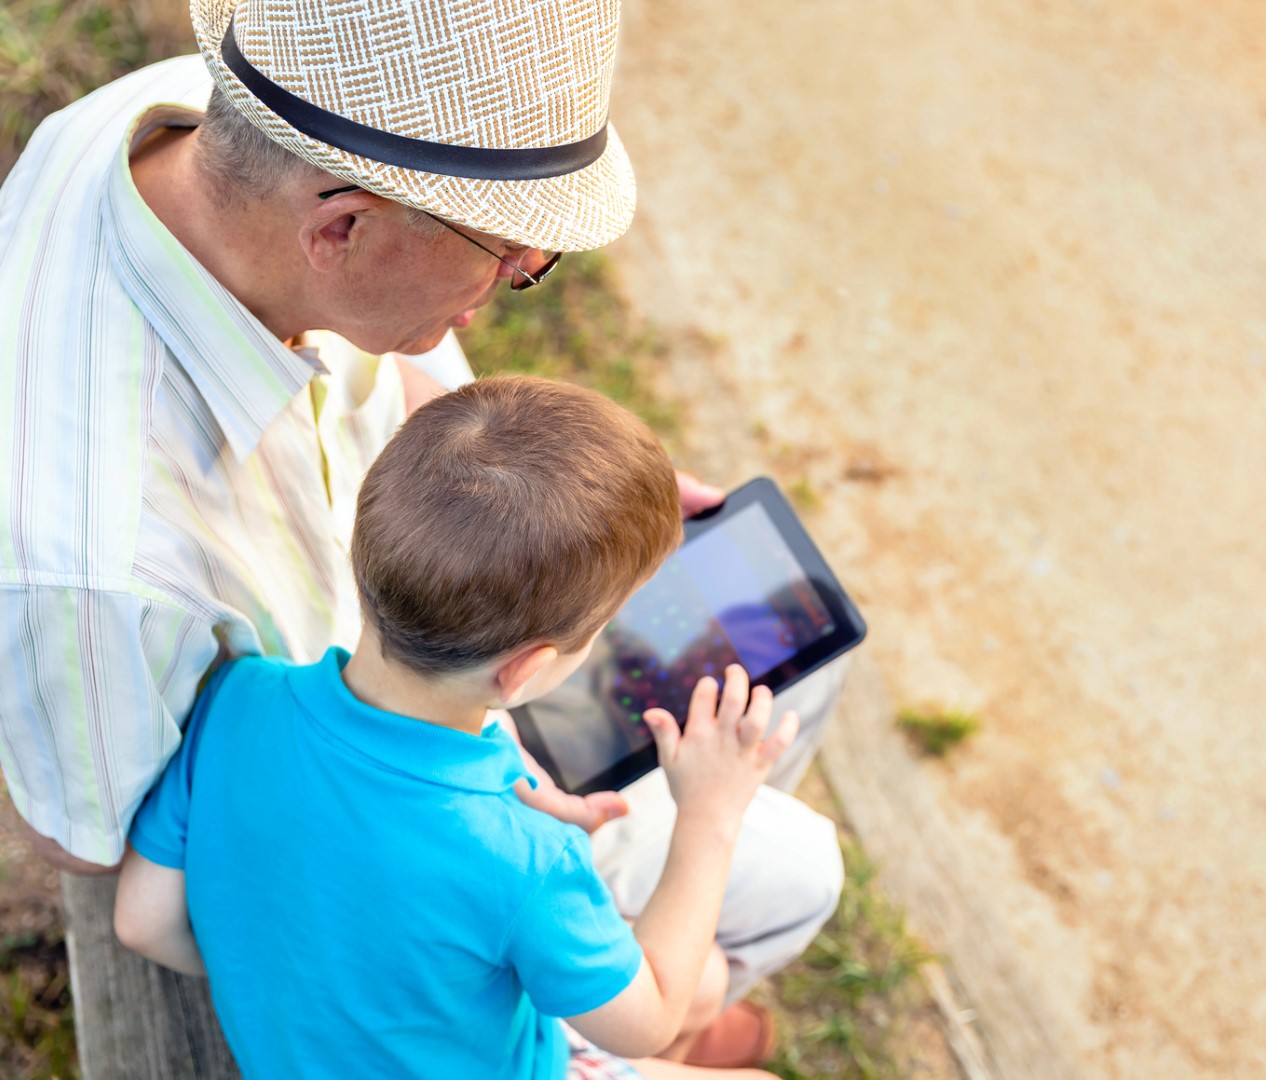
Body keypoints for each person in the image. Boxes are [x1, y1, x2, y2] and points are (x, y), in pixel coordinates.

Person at [0, 0, 844, 1063]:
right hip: (411, 832)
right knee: (798, 865)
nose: (519, 274)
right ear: (341, 229)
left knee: (769, 668)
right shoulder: (89, 566)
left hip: (391, 695)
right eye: (504, 253)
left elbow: (158, 904)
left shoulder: (234, 125)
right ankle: (647, 1030)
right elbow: (83, 842)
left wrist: (546, 504)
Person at [113, 375, 790, 1079]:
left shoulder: (240, 697)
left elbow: (142, 923)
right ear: (527, 671)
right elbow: (647, 1022)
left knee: (703, 978)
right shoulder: (528, 857)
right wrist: (710, 813)